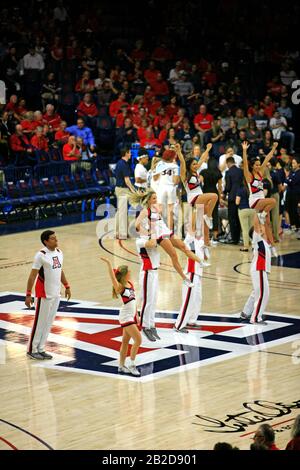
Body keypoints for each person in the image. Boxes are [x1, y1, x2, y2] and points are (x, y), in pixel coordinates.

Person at [131, 189, 202, 287]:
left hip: (167, 231)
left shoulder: (156, 208)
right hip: (160, 236)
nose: (156, 200)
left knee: (184, 247)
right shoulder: (145, 211)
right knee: (174, 255)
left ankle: (200, 262)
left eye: (156, 198)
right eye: (154, 198)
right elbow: (136, 225)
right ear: (148, 200)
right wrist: (148, 233)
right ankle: (185, 278)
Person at [25, 230, 71, 360]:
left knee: (48, 323)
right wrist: (28, 294)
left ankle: (41, 348)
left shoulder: (59, 253)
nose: (56, 240)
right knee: (39, 323)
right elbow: (32, 275)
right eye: (52, 238)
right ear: (46, 241)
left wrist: (67, 286)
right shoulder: (41, 255)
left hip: (56, 294)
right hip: (43, 295)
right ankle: (31, 350)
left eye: (56, 237)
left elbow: (60, 270)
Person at [100, 257, 141, 376]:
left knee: (125, 341)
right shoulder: (120, 287)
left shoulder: (130, 284)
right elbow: (112, 277)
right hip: (125, 316)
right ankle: (132, 365)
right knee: (138, 339)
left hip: (131, 316)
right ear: (124, 275)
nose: (130, 274)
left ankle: (121, 366)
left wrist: (137, 315)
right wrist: (108, 264)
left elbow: (134, 300)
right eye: (129, 273)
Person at [176, 142, 218, 247]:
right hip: (194, 198)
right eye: (193, 164)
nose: (196, 165)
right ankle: (209, 217)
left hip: (200, 197)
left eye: (196, 164)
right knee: (214, 196)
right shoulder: (185, 175)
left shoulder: (196, 171)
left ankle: (206, 242)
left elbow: (202, 159)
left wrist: (207, 149)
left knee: (203, 224)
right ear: (189, 165)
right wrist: (178, 152)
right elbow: (182, 162)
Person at [240, 213, 271, 324]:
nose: (262, 228)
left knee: (257, 292)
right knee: (264, 293)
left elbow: (267, 224)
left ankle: (246, 312)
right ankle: (256, 318)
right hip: (259, 269)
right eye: (260, 228)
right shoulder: (257, 239)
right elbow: (256, 223)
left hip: (261, 269)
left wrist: (264, 213)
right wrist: (257, 209)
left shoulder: (263, 242)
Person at [174, 232, 205, 332]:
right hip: (191, 273)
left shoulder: (201, 241)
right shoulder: (189, 239)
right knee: (188, 301)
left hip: (198, 273)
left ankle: (191, 320)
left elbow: (206, 257)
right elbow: (193, 223)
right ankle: (178, 325)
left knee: (197, 299)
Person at [136, 237, 160, 342]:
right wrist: (155, 232)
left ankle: (151, 324)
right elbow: (152, 244)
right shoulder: (140, 240)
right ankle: (145, 326)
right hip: (147, 272)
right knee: (148, 300)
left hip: (154, 272)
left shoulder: (149, 237)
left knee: (154, 300)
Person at [114, 147, 136, 239]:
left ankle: (117, 232)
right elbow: (127, 180)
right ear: (126, 153)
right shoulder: (124, 164)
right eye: (130, 152)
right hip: (123, 189)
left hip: (119, 188)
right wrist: (133, 190)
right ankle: (122, 234)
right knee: (122, 212)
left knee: (120, 212)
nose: (131, 154)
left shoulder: (120, 163)